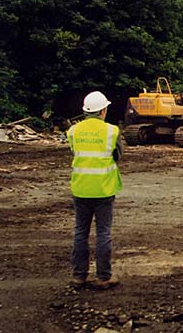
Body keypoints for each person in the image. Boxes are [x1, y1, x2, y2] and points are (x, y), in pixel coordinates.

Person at [67, 91, 123, 290]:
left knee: (80, 233)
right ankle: (103, 276)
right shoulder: (111, 131)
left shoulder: (73, 131)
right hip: (103, 189)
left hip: (81, 188)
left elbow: (75, 152)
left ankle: (79, 276)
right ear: (103, 111)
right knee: (103, 233)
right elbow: (117, 155)